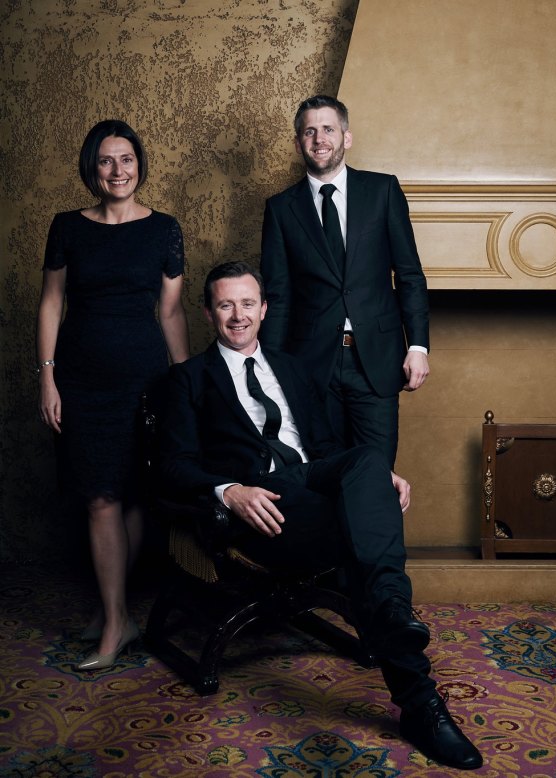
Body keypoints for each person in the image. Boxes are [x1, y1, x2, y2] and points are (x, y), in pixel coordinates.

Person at [158, 261, 482, 770]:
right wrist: (229, 491)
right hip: (265, 503)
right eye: (225, 305)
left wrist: (373, 478)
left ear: (264, 309)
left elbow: (329, 447)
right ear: (207, 312)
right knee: (362, 534)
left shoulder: (291, 367)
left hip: (310, 481)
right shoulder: (187, 379)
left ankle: (396, 626)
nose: (237, 316)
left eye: (247, 304)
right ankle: (418, 691)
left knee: (371, 461)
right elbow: (172, 465)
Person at [36, 119, 190, 671]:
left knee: (126, 496)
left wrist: (182, 385)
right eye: (106, 161)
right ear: (91, 169)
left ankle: (115, 612)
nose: (117, 171)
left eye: (126, 159)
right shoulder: (67, 227)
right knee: (99, 496)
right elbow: (51, 303)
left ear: (139, 166)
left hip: (143, 379)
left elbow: (170, 311)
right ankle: (116, 617)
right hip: (81, 381)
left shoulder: (165, 229)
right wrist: (47, 376)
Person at [260, 94, 430, 469]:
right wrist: (269, 365)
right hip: (310, 363)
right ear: (298, 142)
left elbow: (409, 274)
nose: (319, 139)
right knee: (323, 475)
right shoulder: (280, 209)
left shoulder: (383, 191)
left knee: (376, 474)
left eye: (328, 129)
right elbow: (278, 295)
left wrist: (418, 344)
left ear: (346, 138)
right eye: (309, 132)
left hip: (377, 359)